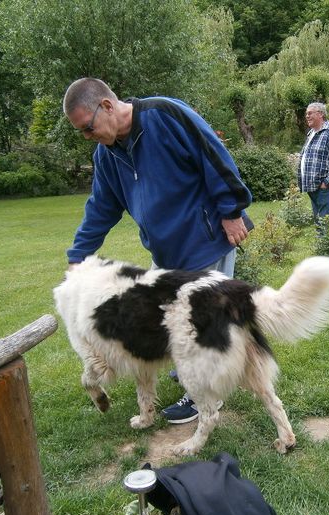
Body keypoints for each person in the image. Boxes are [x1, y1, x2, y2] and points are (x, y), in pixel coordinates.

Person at [63, 78, 252, 424]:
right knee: (177, 319)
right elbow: (101, 208)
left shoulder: (165, 115)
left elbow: (213, 155)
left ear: (106, 106)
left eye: (87, 128)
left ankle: (204, 397)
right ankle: (202, 371)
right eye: (82, 133)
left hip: (204, 237)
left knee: (203, 320)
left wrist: (232, 210)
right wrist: (78, 255)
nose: (87, 137)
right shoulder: (107, 156)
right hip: (167, 253)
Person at [296, 102, 329, 226]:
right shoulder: (311, 133)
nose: (307, 116)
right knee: (320, 223)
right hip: (313, 187)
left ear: (321, 114)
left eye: (310, 113)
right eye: (306, 113)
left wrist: (327, 182)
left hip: (326, 188)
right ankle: (322, 245)